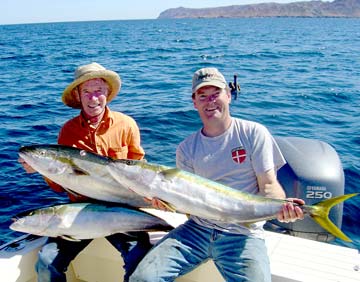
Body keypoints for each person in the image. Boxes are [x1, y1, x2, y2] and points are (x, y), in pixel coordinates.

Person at [129, 67, 305, 282]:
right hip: (196, 230)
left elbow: (268, 184)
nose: (210, 102)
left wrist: (281, 206)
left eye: (216, 94)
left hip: (242, 234)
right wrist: (166, 203)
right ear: (194, 102)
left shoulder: (253, 133)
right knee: (142, 279)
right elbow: (186, 201)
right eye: (202, 96)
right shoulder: (186, 148)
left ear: (229, 96)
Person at [19, 62, 152, 282]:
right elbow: (60, 185)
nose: (93, 99)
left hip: (122, 209)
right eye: (86, 92)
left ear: (107, 93)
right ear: (78, 96)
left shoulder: (126, 125)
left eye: (98, 91)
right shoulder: (68, 131)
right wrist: (41, 169)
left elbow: (140, 170)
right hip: (80, 211)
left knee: (140, 260)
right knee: (46, 263)